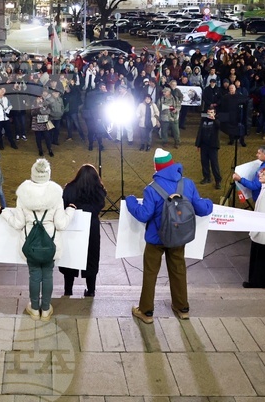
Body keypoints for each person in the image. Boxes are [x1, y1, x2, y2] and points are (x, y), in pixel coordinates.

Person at [126, 149, 213, 323]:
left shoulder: (151, 189)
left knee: (150, 274)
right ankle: (182, 308)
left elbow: (144, 215)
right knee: (179, 270)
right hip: (179, 237)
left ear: (156, 167)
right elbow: (202, 209)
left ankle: (146, 311)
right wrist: (209, 203)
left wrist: (130, 201)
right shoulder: (187, 184)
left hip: (156, 239)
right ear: (173, 164)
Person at [0, 158, 75, 321]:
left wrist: (3, 212)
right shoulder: (56, 194)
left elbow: (18, 223)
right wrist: (70, 211)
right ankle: (46, 310)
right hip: (50, 244)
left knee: (34, 275)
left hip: (30, 244)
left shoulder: (23, 194)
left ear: (33, 174)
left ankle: (34, 308)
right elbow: (61, 223)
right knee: (48, 275)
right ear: (48, 174)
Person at [58, 164, 106, 297]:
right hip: (92, 227)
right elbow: (100, 205)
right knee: (91, 257)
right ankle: (91, 290)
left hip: (72, 226)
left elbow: (63, 204)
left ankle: (68, 290)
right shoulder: (99, 191)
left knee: (70, 257)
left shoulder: (69, 188)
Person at [194, 108, 222, 188]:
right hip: (204, 145)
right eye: (209, 112)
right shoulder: (203, 120)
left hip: (213, 146)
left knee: (214, 164)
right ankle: (207, 177)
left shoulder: (217, 121)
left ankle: (218, 180)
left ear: (215, 113)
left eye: (212, 112)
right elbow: (200, 132)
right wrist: (198, 145)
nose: (210, 114)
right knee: (204, 162)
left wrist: (214, 120)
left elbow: (220, 126)